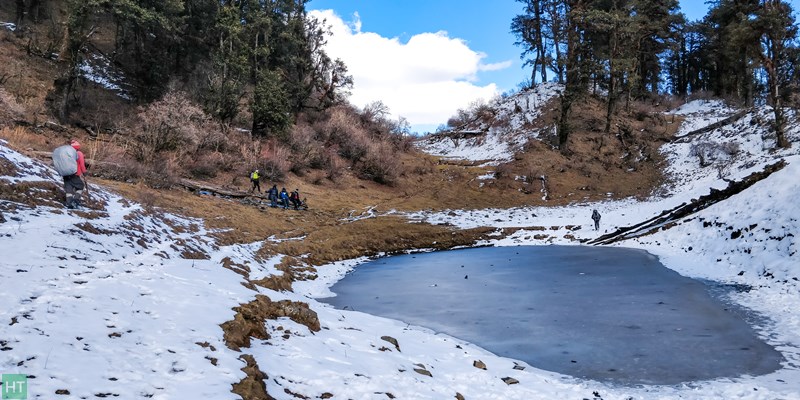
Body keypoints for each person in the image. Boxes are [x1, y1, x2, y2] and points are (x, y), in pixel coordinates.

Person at [52, 139, 87, 209]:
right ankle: (75, 201)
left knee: (69, 189)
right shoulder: (79, 153)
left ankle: (69, 203)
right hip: (74, 174)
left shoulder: (66, 154)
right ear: (78, 147)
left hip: (65, 174)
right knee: (80, 186)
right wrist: (84, 172)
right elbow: (82, 165)